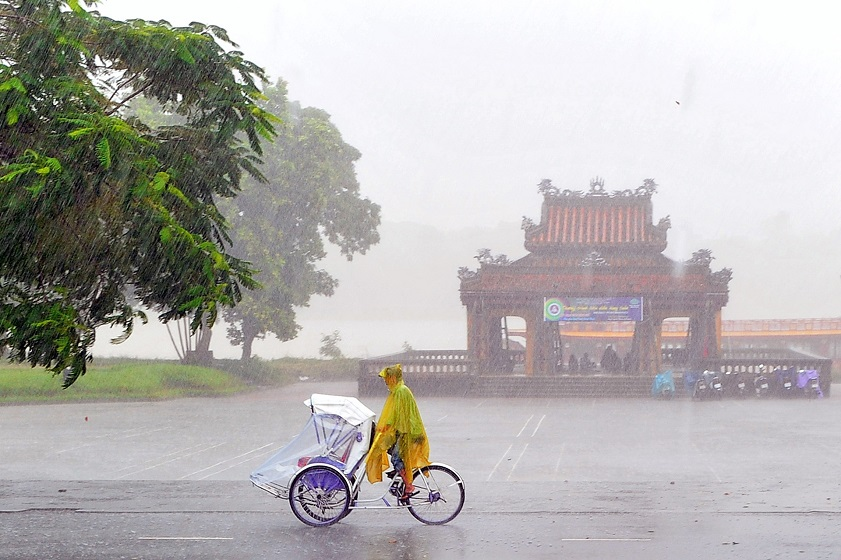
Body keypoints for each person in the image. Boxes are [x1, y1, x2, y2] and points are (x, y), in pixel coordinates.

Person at [365, 364, 430, 501]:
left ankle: (409, 486)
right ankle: (400, 476)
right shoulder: (398, 390)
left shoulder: (400, 391)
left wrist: (387, 426)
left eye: (387, 378)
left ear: (393, 378)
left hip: (409, 432)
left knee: (395, 458)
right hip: (406, 430)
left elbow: (397, 414)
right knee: (389, 448)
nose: (385, 381)